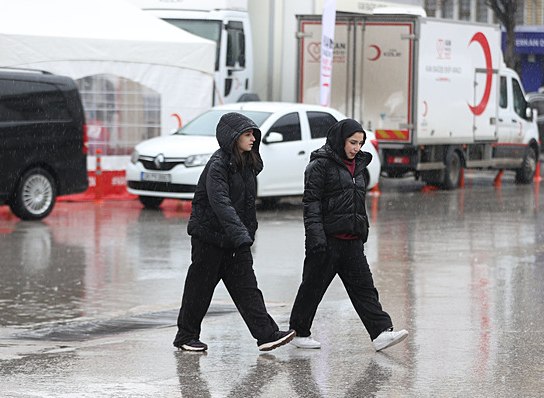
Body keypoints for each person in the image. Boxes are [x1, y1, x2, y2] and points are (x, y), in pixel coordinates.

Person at [173, 112, 296, 352]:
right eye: (248, 135)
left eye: (253, 135)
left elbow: (248, 205)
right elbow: (221, 204)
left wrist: (246, 233)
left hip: (235, 241)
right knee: (199, 290)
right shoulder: (217, 165)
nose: (252, 140)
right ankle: (186, 337)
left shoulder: (247, 165)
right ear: (233, 137)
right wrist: (242, 235)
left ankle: (267, 335)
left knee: (247, 289)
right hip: (209, 238)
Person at [288, 118, 409, 352]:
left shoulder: (360, 165)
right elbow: (311, 203)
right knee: (312, 288)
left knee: (365, 288)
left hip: (352, 240)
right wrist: (316, 238)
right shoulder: (320, 165)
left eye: (360, 143)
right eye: (352, 142)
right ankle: (299, 332)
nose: (356, 148)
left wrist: (362, 230)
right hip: (327, 240)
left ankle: (380, 333)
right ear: (340, 140)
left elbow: (357, 202)